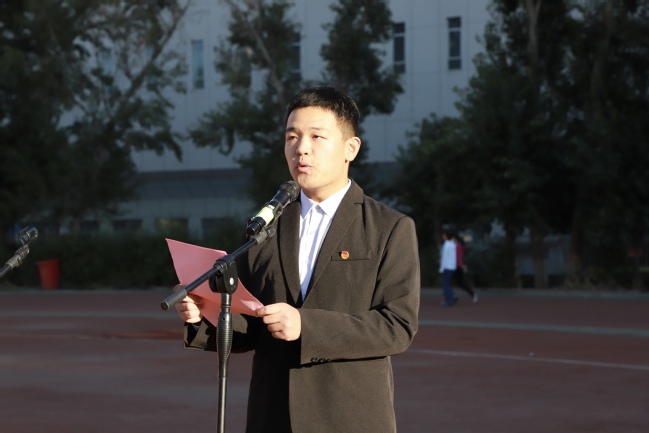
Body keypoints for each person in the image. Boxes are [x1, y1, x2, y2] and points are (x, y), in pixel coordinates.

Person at [175, 86, 420, 433]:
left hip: (349, 418)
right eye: (292, 137)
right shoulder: (264, 227)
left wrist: (307, 326)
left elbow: (397, 326)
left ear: (350, 148)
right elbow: (250, 325)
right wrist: (205, 314)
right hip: (272, 415)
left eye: (316, 136)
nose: (301, 148)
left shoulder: (389, 227)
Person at [452, 233, 478, 303]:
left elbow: (459, 257)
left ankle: (472, 294)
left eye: (453, 239)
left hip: (457, 266)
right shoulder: (458, 246)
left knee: (460, 283)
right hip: (455, 266)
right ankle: (453, 295)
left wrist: (463, 265)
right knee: (456, 282)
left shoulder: (458, 246)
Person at [439, 229, 457, 306]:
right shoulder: (453, 244)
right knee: (448, 283)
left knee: (445, 284)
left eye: (444, 235)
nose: (443, 236)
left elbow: (444, 257)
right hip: (452, 267)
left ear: (446, 236)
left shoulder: (446, 244)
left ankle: (449, 300)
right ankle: (452, 296)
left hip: (446, 267)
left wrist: (441, 268)